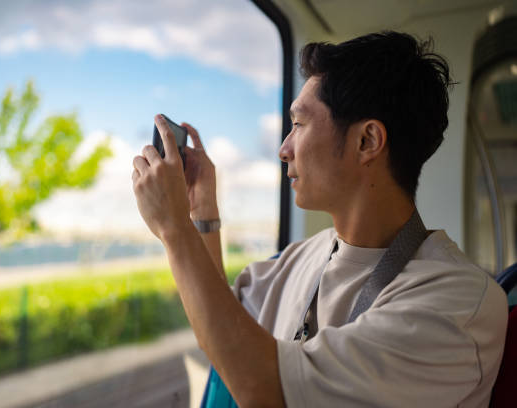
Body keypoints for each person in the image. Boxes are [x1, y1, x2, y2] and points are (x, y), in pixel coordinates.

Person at [131, 31, 508, 407]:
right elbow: (222, 331)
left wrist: (174, 228)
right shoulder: (299, 258)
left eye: (298, 125)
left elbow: (266, 390)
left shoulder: (456, 304)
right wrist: (202, 212)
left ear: (367, 141)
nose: (283, 150)